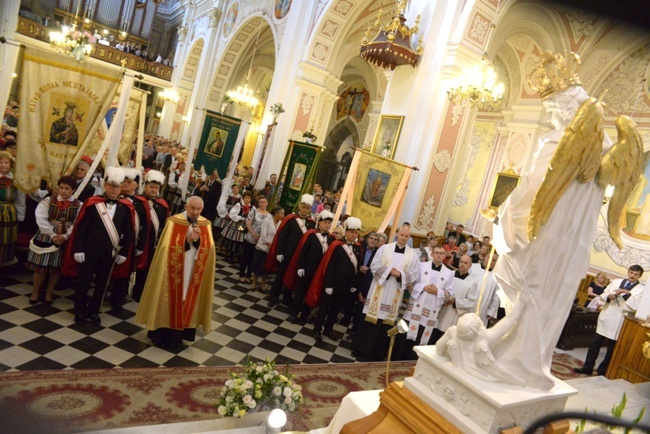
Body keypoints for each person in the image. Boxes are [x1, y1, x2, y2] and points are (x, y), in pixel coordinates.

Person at [487, 51, 642, 391]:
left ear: (570, 107)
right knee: (545, 297)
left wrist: (505, 213)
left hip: (546, 237)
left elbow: (535, 189)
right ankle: (527, 359)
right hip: (569, 244)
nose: (553, 116)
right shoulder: (603, 147)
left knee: (531, 289)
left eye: (556, 108)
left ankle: (518, 361)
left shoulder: (564, 141)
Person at [135, 196, 216, 350]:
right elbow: (166, 248)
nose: (195, 212)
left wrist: (199, 241)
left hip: (193, 270)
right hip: (173, 271)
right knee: (168, 297)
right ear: (186, 206)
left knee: (187, 298)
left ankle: (180, 335)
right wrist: (187, 240)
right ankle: (161, 335)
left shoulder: (206, 224)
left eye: (199, 209)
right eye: (193, 208)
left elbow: (210, 249)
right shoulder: (174, 221)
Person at [63, 167, 135, 325]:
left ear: (121, 187)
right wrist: (78, 249)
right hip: (88, 251)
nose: (114, 189)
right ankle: (79, 310)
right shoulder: (93, 203)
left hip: (109, 253)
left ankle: (94, 310)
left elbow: (128, 232)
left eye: (117, 186)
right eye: (111, 185)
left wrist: (124, 252)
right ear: (105, 185)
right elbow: (82, 228)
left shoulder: (125, 207)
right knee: (83, 283)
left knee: (102, 285)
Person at [352, 225, 420, 361]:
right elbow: (374, 265)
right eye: (402, 235)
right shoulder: (384, 248)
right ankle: (362, 350)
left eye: (406, 236)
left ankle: (378, 354)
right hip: (379, 290)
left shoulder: (413, 256)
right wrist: (389, 271)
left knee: (385, 325)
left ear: (409, 238)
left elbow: (414, 274)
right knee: (371, 321)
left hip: (395, 293)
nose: (403, 238)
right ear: (397, 234)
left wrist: (400, 274)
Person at [575, 265, 645, 376]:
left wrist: (626, 293)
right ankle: (587, 367)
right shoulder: (616, 282)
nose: (632, 276)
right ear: (628, 272)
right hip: (607, 316)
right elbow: (604, 293)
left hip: (620, 320)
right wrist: (609, 296)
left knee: (611, 349)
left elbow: (635, 306)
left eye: (636, 274)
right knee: (594, 344)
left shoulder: (641, 289)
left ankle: (602, 371)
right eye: (631, 273)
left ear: (640, 276)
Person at [393, 245, 454, 361]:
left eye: (441, 253)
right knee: (405, 339)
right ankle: (397, 360)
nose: (439, 255)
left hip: (430, 313)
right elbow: (410, 284)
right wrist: (423, 287)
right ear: (432, 254)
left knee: (421, 338)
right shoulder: (421, 267)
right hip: (414, 309)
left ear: (445, 256)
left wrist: (438, 291)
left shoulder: (448, 273)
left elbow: (450, 293)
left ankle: (413, 363)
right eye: (436, 252)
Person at [27, 176, 82, 305]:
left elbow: (77, 223)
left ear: (73, 190)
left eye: (67, 189)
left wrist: (65, 236)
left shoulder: (79, 205)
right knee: (40, 267)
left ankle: (49, 293)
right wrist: (51, 234)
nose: (63, 191)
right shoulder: (48, 200)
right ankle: (35, 291)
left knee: (56, 268)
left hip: (65, 238)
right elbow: (40, 218)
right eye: (61, 188)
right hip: (46, 235)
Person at [307, 217, 362, 342]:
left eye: (356, 232)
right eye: (352, 232)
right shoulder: (337, 245)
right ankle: (317, 329)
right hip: (333, 284)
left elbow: (357, 267)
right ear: (346, 232)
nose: (354, 235)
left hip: (346, 286)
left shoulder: (358, 248)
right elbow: (330, 266)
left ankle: (328, 329)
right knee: (324, 308)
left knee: (336, 309)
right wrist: (328, 285)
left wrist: (354, 283)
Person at [266, 194, 316, 307]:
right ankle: (273, 297)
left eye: (307, 208)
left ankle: (287, 298)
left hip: (299, 257)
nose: (305, 210)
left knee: (292, 277)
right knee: (280, 276)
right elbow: (282, 236)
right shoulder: (291, 219)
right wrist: (279, 252)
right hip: (287, 254)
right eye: (303, 207)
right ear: (299, 206)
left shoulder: (312, 223)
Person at [286, 210, 335, 324]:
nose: (327, 225)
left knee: (312, 293)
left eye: (329, 223)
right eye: (325, 222)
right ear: (319, 222)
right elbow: (303, 251)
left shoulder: (332, 239)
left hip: (320, 273)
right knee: (300, 292)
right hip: (307, 269)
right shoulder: (311, 234)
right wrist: (300, 267)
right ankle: (293, 313)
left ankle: (305, 314)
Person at [110, 168, 148, 313]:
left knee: (124, 272)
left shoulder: (141, 203)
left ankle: (118, 298)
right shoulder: (114, 198)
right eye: (123, 181)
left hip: (130, 243)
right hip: (112, 240)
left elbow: (145, 226)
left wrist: (140, 245)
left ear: (136, 186)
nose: (125, 184)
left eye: (129, 182)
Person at [132, 170, 169, 302]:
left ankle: (139, 291)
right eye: (151, 187)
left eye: (156, 188)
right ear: (145, 186)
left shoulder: (162, 204)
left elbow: (164, 225)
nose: (153, 190)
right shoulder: (137, 202)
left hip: (152, 242)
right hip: (136, 240)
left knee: (146, 269)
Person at [431, 255, 478, 344]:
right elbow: (438, 288)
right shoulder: (449, 274)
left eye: (465, 263)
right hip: (440, 310)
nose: (462, 264)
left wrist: (454, 301)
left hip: (453, 315)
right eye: (461, 262)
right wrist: (442, 298)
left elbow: (471, 301)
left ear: (470, 265)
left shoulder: (472, 282)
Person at [0, 151, 25, 267]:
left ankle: (4, 263)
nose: (3, 165)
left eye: (6, 162)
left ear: (11, 165)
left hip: (9, 213)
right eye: (0, 162)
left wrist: (20, 216)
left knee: (6, 238)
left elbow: (20, 199)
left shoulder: (15, 180)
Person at [251, 206, 284, 291]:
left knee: (266, 268)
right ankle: (254, 283)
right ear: (276, 214)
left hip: (272, 250)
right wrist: (269, 243)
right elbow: (263, 234)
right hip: (263, 246)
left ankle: (263, 285)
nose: (283, 215)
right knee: (257, 266)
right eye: (282, 213)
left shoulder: (281, 223)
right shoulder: (267, 220)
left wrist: (274, 246)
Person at [239, 195, 269, 282]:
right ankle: (241, 274)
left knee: (254, 259)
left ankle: (248, 276)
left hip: (259, 240)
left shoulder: (269, 215)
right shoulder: (254, 211)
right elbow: (248, 224)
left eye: (264, 202)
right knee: (245, 257)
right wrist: (254, 235)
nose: (262, 203)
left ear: (267, 203)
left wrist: (260, 236)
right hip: (249, 237)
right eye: (260, 202)